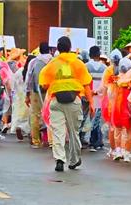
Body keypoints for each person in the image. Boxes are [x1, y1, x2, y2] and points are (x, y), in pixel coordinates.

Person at [38, 36, 93, 172]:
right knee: (74, 132)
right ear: (70, 48)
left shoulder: (52, 64)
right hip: (74, 100)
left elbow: (44, 84)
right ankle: (74, 160)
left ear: (57, 48)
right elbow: (86, 85)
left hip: (56, 101)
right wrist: (91, 103)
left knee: (58, 132)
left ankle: (60, 159)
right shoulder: (78, 63)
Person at [112, 58, 131, 162]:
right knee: (129, 131)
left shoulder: (117, 79)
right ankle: (127, 154)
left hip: (118, 106)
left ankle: (118, 150)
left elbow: (111, 94)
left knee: (118, 129)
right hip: (130, 106)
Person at [25, 42, 53, 148]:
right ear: (50, 50)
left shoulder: (34, 62)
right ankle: (52, 141)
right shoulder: (53, 61)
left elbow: (29, 78)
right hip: (51, 91)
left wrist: (27, 94)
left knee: (35, 115)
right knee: (52, 115)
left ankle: (36, 140)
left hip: (36, 91)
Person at [85, 46, 107, 151]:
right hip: (100, 95)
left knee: (87, 117)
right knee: (97, 118)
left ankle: (86, 139)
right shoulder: (104, 68)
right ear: (99, 55)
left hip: (88, 95)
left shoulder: (86, 66)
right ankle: (97, 141)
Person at [102, 49, 122, 158]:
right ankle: (122, 149)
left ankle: (113, 149)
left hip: (110, 102)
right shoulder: (124, 70)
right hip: (121, 101)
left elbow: (104, 86)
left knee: (112, 126)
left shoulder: (108, 70)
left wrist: (103, 100)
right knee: (122, 127)